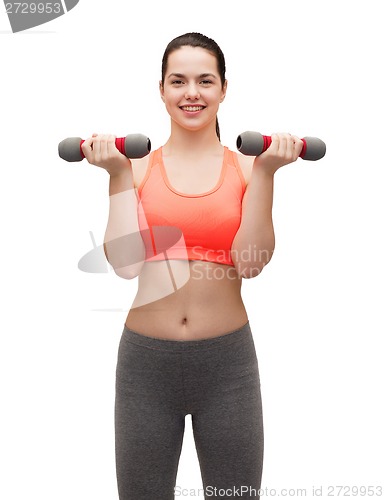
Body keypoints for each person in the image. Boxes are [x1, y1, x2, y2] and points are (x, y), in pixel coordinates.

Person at [81, 32, 303, 500]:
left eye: (205, 80)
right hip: (146, 365)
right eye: (178, 81)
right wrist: (117, 174)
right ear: (161, 90)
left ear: (224, 89)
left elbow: (251, 262)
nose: (192, 93)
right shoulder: (138, 167)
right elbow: (124, 265)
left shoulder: (246, 167)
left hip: (227, 367)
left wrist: (266, 173)